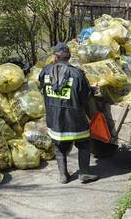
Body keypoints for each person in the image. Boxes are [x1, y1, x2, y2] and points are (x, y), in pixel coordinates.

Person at [39, 42, 99, 184]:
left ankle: (63, 176)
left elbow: (43, 89)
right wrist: (92, 89)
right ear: (69, 57)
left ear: (55, 56)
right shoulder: (77, 74)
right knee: (84, 144)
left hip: (54, 120)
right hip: (75, 121)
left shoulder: (45, 72)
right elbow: (83, 97)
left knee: (59, 146)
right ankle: (84, 173)